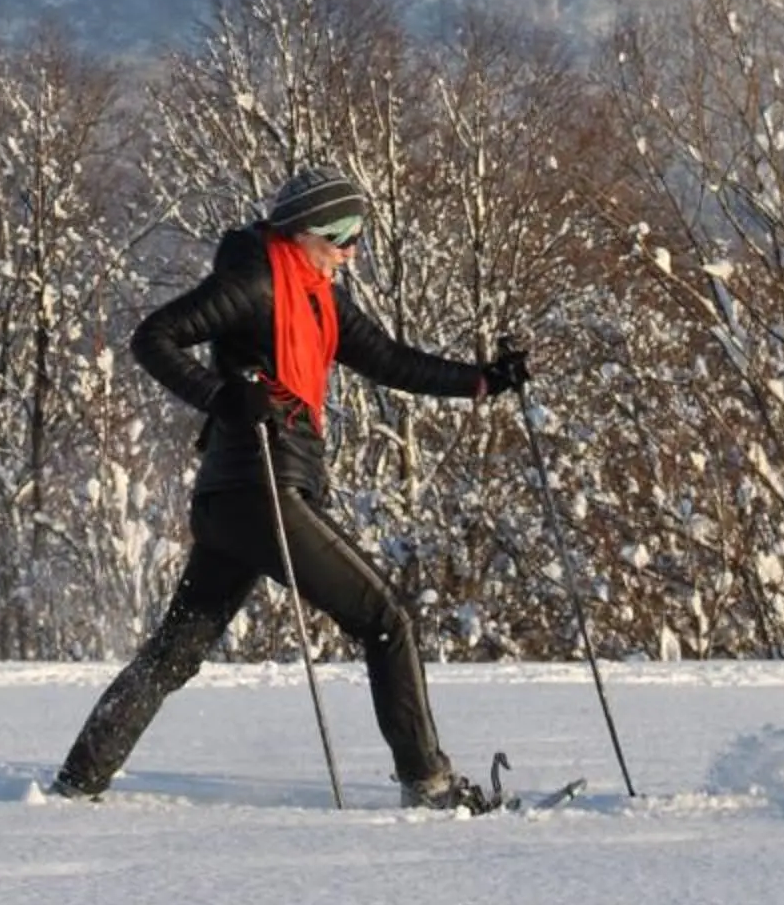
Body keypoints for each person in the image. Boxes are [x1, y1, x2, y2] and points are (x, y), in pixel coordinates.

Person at [51, 165, 529, 811]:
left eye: (358, 234)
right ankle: (430, 784)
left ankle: (77, 783)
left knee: (176, 650)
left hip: (238, 500)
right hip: (261, 487)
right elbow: (153, 338)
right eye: (342, 234)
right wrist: (225, 396)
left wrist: (482, 382)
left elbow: (388, 359)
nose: (352, 249)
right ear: (304, 229)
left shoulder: (317, 294)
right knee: (386, 618)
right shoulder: (253, 280)